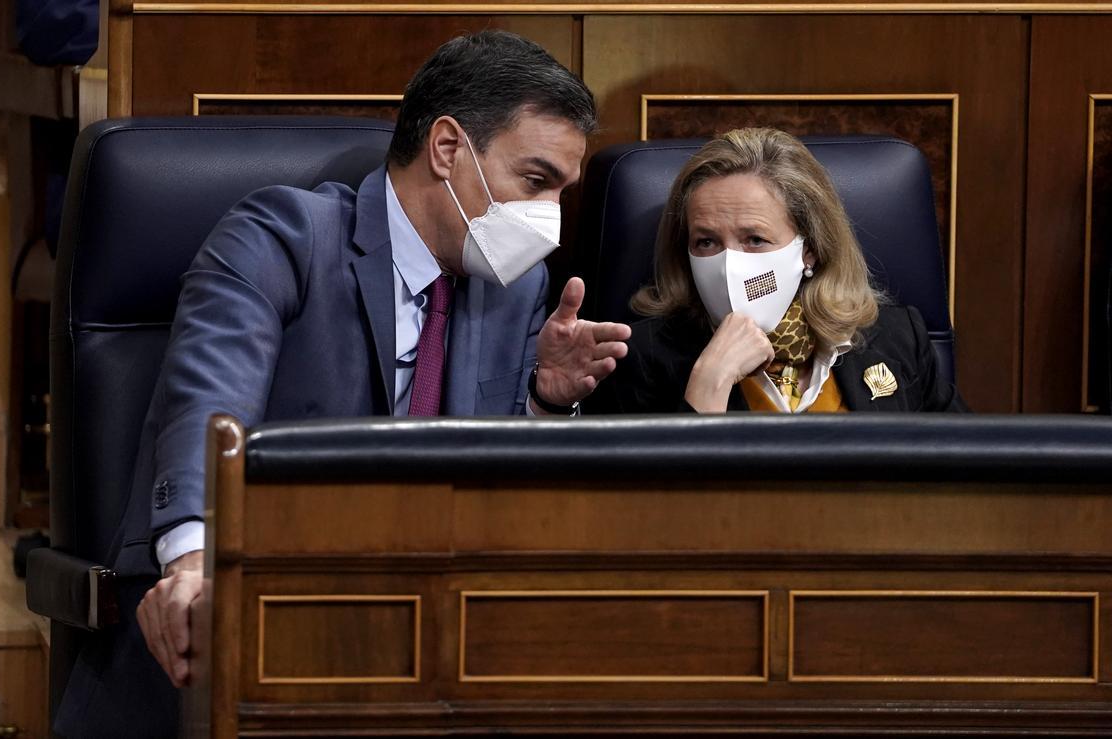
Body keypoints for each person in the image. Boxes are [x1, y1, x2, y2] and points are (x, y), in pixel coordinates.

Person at [54, 30, 631, 737]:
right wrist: (195, 567)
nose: (549, 218)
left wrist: (543, 400)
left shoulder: (516, 288)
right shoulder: (280, 238)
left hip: (414, 653)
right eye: (536, 182)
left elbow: (490, 485)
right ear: (448, 149)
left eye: (563, 193)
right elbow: (207, 407)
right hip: (246, 633)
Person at [586, 127, 966, 415]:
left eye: (754, 239)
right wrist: (710, 384)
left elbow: (966, 470)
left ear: (811, 250)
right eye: (706, 242)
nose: (729, 264)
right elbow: (649, 510)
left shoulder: (898, 337)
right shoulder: (640, 357)